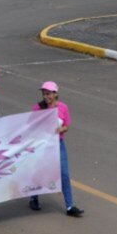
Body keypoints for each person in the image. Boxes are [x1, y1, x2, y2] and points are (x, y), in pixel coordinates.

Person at [29, 82, 83, 217]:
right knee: (39, 172)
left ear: (55, 94)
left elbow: (67, 126)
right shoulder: (38, 108)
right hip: (42, 145)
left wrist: (61, 129)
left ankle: (70, 206)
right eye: (44, 94)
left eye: (48, 94)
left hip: (58, 144)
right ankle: (33, 197)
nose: (45, 96)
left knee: (64, 175)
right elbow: (30, 125)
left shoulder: (63, 108)